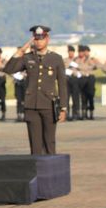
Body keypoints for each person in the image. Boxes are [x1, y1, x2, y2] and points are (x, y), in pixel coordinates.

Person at [4, 25, 67, 155]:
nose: (39, 42)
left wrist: (63, 107)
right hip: (31, 105)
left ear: (47, 39)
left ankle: (51, 170)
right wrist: (20, 52)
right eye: (36, 39)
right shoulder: (27, 58)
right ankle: (37, 171)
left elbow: (62, 84)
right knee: (35, 144)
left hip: (48, 104)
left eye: (41, 38)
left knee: (49, 142)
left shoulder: (56, 58)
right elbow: (9, 70)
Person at [64, 45, 82, 121]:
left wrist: (77, 70)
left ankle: (75, 113)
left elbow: (82, 68)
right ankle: (67, 113)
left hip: (75, 79)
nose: (71, 53)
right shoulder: (65, 60)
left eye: (72, 52)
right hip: (67, 79)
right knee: (66, 97)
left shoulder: (78, 60)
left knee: (75, 97)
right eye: (69, 52)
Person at [10, 57, 27, 122]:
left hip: (24, 82)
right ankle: (19, 115)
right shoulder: (15, 65)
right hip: (18, 83)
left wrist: (25, 74)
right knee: (19, 100)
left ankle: (25, 114)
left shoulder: (26, 63)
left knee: (25, 100)